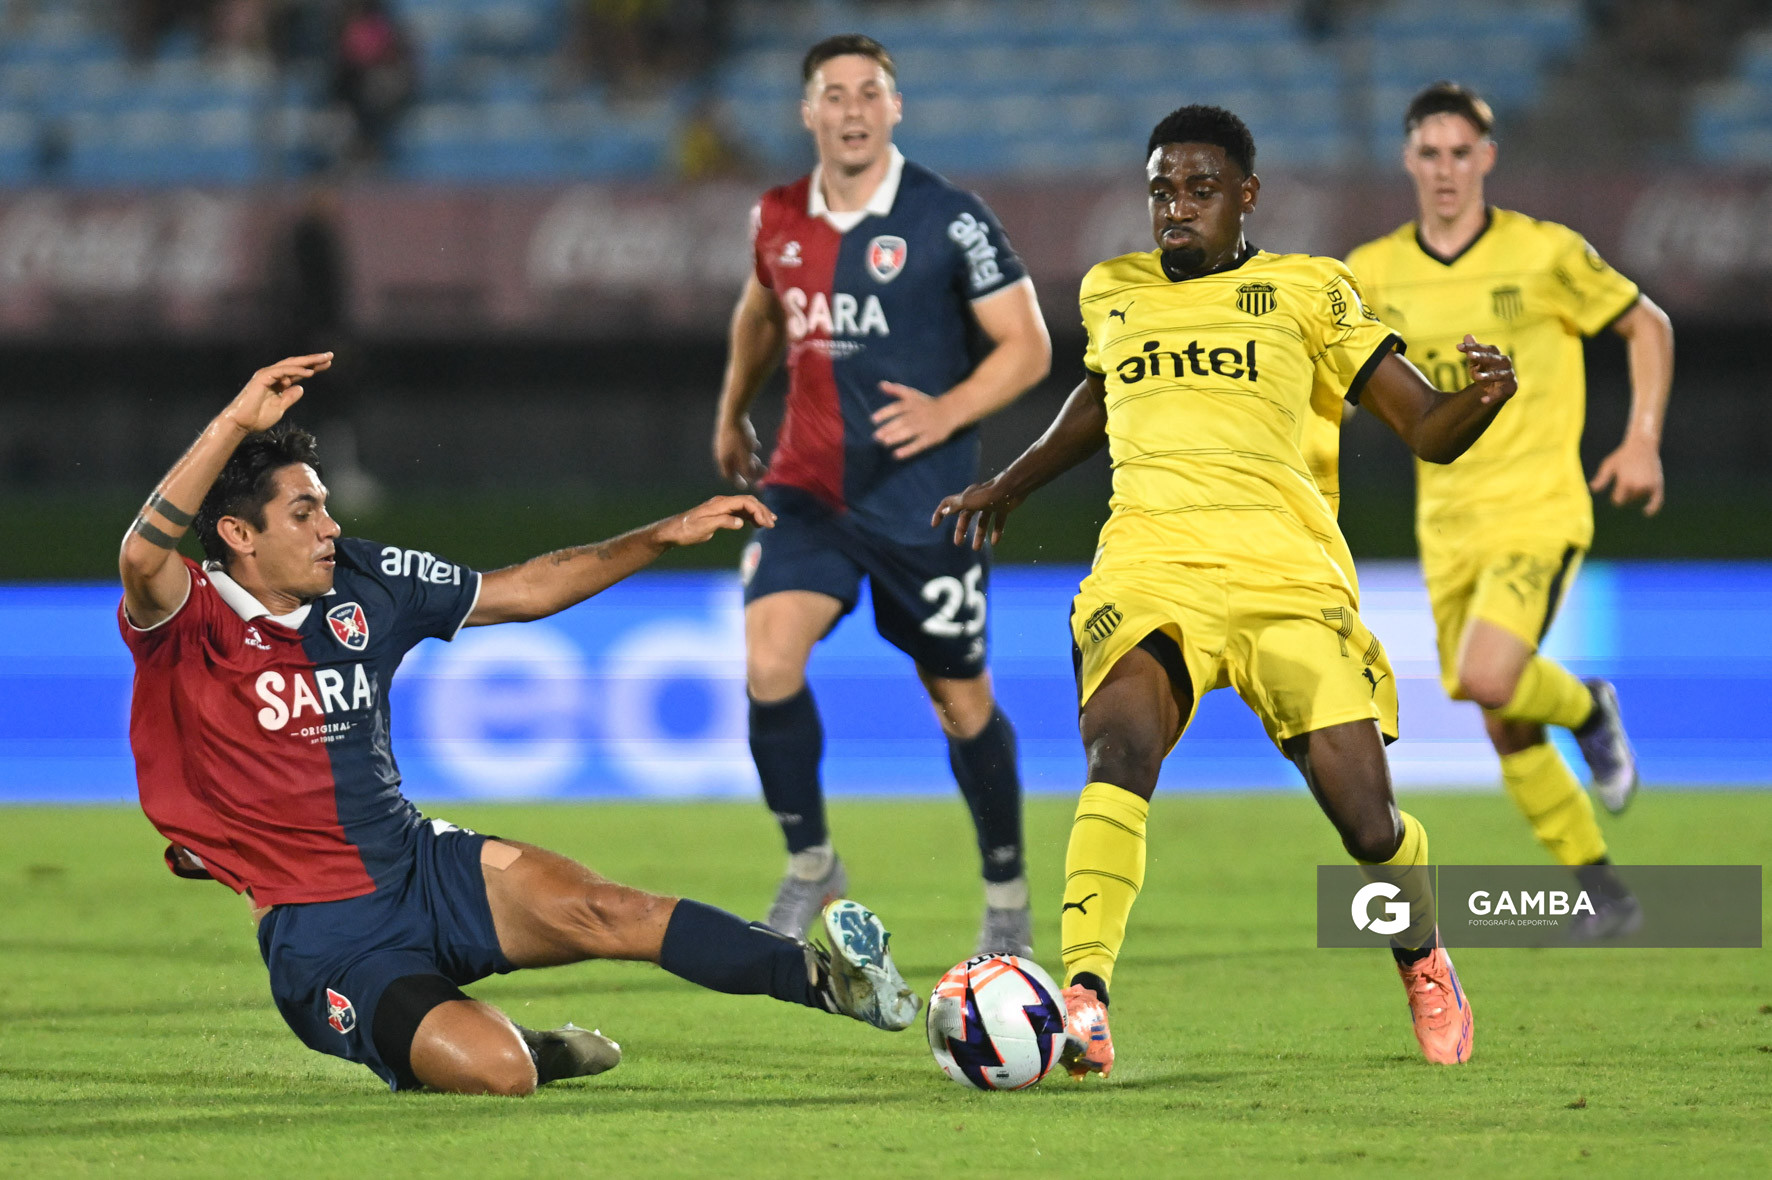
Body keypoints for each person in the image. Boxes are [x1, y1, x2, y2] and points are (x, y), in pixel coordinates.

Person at [116, 353, 918, 1096]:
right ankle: (523, 1045)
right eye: (304, 512)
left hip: (421, 867)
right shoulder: (186, 614)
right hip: (326, 938)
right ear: (238, 535)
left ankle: (830, 981)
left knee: (613, 912)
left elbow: (525, 590)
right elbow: (139, 557)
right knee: (503, 1075)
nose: (329, 525)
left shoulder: (363, 578)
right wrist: (231, 424)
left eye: (325, 506)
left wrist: (658, 536)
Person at [936, 106, 1520, 1076]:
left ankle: (1420, 955)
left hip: (1285, 576)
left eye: (1199, 189)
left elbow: (1420, 423)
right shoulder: (1112, 290)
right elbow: (1100, 397)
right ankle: (1083, 997)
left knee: (1366, 824)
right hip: (1150, 565)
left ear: (1245, 197)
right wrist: (1010, 483)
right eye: (1161, 189)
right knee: (1116, 747)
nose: (1176, 207)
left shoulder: (1306, 290)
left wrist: (1480, 400)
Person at [712, 35, 1052, 953]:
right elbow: (759, 311)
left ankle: (1007, 894)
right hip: (808, 491)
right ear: (808, 112)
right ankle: (813, 864)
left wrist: (950, 411)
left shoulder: (950, 218)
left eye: (871, 93)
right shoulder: (777, 215)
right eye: (835, 93)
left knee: (960, 703)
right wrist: (731, 409)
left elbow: (1028, 345)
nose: (854, 109)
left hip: (927, 505)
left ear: (895, 109)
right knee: (769, 660)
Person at [1345, 83, 1675, 939]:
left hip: (1536, 506)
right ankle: (1607, 896)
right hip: (1445, 524)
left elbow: (1648, 327)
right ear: (1408, 160)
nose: (1446, 170)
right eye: (1431, 153)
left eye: (1463, 152)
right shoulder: (1372, 272)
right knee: (1499, 715)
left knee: (1492, 677)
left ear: (1487, 158)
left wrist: (1640, 440)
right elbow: (1334, 379)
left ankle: (1592, 709)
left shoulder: (1545, 254)